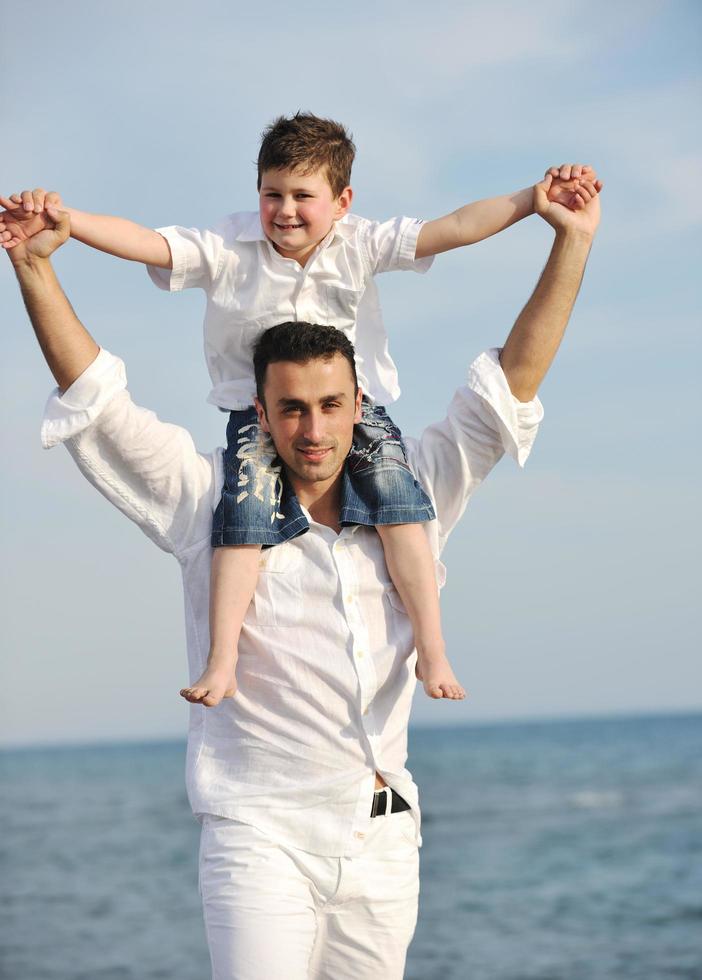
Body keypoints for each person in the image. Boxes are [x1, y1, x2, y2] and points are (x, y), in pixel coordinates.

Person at [3, 168, 600, 979]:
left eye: (329, 406)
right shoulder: (207, 499)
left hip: (382, 838)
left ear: (359, 404)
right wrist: (35, 269)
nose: (311, 430)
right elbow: (99, 403)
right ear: (260, 411)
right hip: (260, 837)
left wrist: (572, 241)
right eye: (289, 409)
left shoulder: (413, 493)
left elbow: (509, 386)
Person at [0, 114, 600, 709]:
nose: (285, 211)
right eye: (271, 194)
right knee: (240, 526)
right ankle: (223, 658)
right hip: (250, 417)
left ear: (342, 201)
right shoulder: (228, 248)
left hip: (364, 419)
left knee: (405, 510)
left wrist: (532, 201)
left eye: (302, 197)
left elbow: (454, 228)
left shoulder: (361, 241)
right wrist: (68, 223)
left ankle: (434, 648)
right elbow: (149, 242)